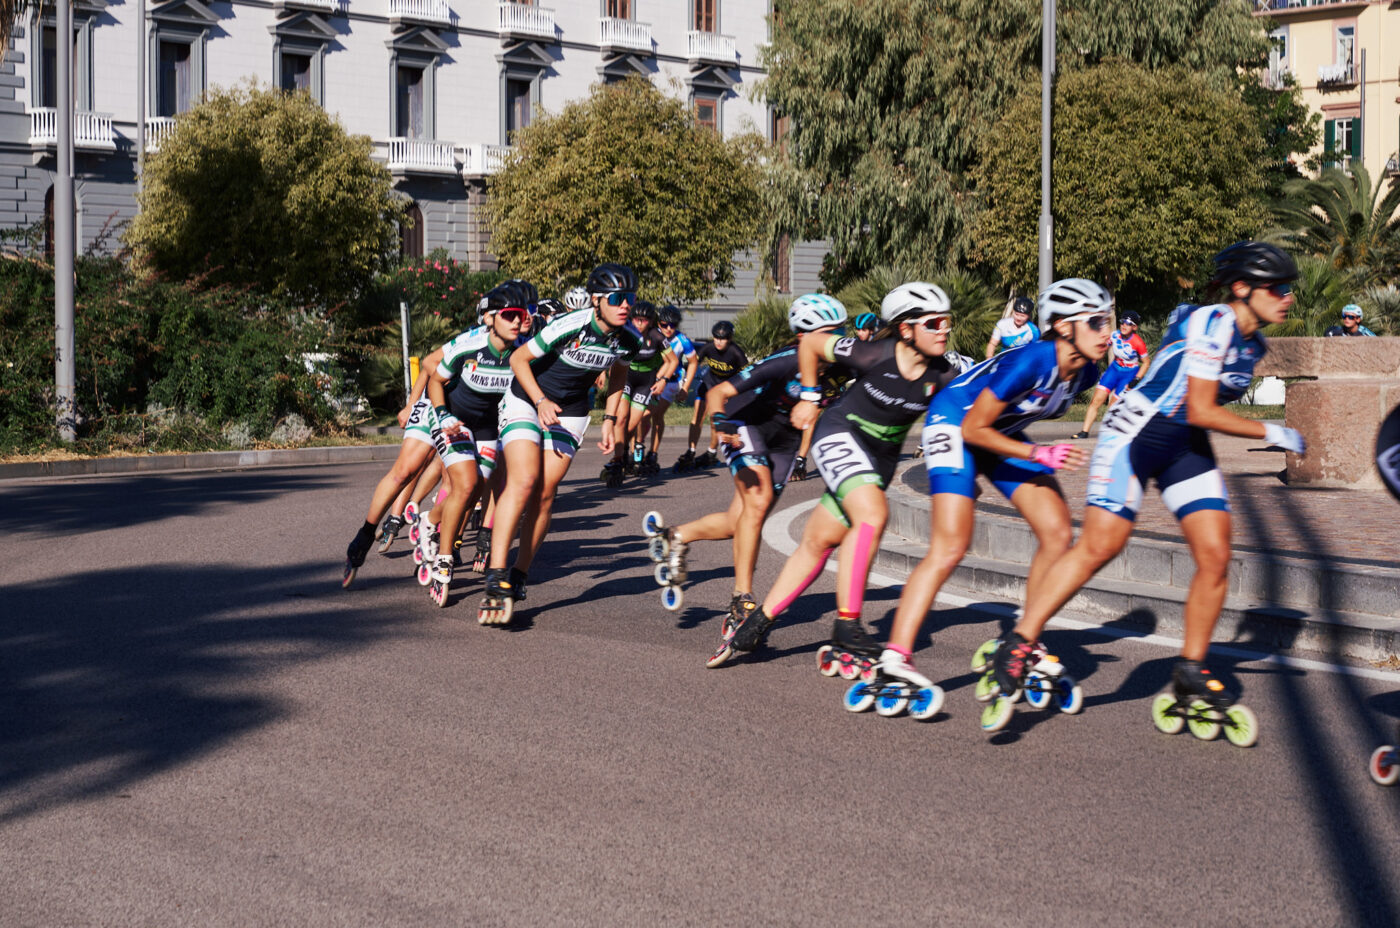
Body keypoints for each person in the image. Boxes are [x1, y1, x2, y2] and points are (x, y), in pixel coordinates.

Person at [988, 242, 1306, 744]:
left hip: (1183, 444)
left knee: (1216, 555)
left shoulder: (1254, 345)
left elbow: (1195, 418)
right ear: (1242, 289)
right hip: (1136, 432)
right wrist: (1270, 433)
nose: (1287, 296)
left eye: (1291, 287)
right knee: (1101, 547)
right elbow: (1200, 407)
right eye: (1277, 287)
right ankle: (1020, 643)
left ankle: (1191, 668)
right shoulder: (1213, 323)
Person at [711, 284, 959, 676]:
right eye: (935, 322)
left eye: (948, 321)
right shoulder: (871, 352)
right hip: (840, 434)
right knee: (873, 516)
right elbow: (810, 344)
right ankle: (847, 624)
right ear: (906, 330)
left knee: (817, 542)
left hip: (880, 459)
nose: (944, 330)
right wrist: (809, 396)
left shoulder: (945, 373)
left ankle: (755, 624)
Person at [884, 278, 1113, 689]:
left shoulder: (1086, 372)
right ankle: (895, 656)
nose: (1107, 331)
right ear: (1062, 326)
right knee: (951, 544)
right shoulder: (1033, 362)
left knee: (1058, 533)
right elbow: (973, 427)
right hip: (956, 424)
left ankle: (1023, 642)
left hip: (999, 434)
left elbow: (1000, 426)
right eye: (1095, 322)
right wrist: (1038, 455)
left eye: (1108, 320)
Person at [644, 294, 848, 640]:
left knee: (742, 522)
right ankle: (742, 598)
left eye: (840, 332)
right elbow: (716, 394)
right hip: (742, 426)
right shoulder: (784, 362)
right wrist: (721, 422)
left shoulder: (845, 363)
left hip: (783, 443)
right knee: (757, 499)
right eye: (830, 333)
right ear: (804, 336)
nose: (837, 341)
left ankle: (676, 536)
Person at [478, 263, 643, 625]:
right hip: (527, 396)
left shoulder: (629, 338)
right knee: (522, 482)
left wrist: (611, 420)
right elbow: (520, 359)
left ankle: (519, 573)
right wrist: (539, 401)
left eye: (630, 298)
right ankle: (495, 574)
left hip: (571, 409)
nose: (625, 305)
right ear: (597, 301)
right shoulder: (572, 325)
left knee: (546, 493)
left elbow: (619, 373)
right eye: (617, 298)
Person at [419, 280, 528, 605]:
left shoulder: (524, 351)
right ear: (491, 318)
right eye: (509, 315)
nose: (517, 322)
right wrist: (442, 414)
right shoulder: (469, 344)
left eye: (521, 316)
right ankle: (444, 558)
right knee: (465, 485)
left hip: (488, 426)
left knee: (478, 490)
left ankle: (430, 521)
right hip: (453, 420)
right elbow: (435, 377)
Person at [601, 300, 677, 486]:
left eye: (644, 320)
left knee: (630, 426)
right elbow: (606, 350)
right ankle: (618, 460)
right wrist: (602, 372)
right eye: (636, 319)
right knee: (620, 418)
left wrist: (662, 380)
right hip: (626, 377)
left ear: (650, 321)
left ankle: (624, 451)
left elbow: (672, 362)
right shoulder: (623, 332)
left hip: (645, 382)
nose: (639, 324)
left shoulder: (657, 337)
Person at [676, 320, 748, 471]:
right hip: (708, 383)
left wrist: (735, 392)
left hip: (724, 388)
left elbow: (746, 375)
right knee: (697, 416)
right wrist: (685, 381)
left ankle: (711, 453)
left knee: (716, 421)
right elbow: (693, 363)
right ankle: (691, 451)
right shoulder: (708, 348)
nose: (719, 342)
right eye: (716, 338)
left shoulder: (736, 352)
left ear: (730, 339)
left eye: (723, 339)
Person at [1073, 309, 1150, 439]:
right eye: (1122, 322)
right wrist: (1091, 359)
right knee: (1096, 401)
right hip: (1114, 370)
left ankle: (1111, 434)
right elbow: (1102, 347)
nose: (1124, 325)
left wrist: (1137, 379)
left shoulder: (1137, 343)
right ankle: (1084, 432)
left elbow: (1146, 362)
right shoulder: (1115, 335)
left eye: (1128, 323)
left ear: (1134, 327)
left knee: (1113, 407)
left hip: (1129, 374)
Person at [644, 305, 698, 474]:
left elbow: (694, 362)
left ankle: (652, 453)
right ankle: (634, 452)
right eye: (664, 324)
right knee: (641, 416)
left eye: (672, 325)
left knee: (653, 414)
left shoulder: (682, 340)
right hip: (650, 380)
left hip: (671, 383)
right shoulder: (651, 334)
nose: (668, 329)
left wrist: (686, 387)